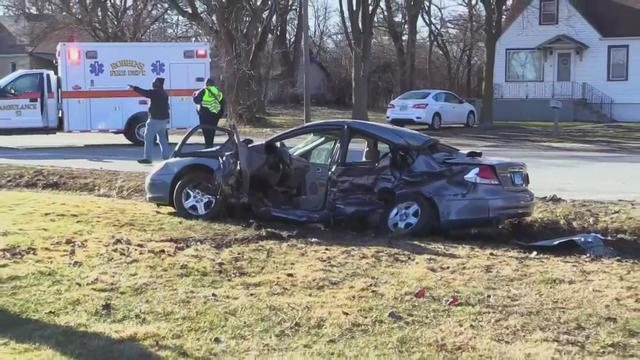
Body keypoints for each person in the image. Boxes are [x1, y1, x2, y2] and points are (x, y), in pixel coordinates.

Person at [130, 77, 171, 164]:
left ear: (157, 84)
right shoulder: (164, 93)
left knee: (148, 138)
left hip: (155, 120)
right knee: (162, 139)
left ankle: (147, 158)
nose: (152, 83)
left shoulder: (155, 93)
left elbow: (145, 93)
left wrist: (134, 88)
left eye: (154, 82)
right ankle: (167, 157)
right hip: (163, 119)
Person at [193, 78, 225, 148]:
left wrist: (194, 95)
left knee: (206, 131)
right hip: (215, 116)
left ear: (206, 84)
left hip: (205, 116)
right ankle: (210, 145)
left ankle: (207, 146)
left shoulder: (204, 90)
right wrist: (220, 114)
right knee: (212, 131)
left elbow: (196, 100)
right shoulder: (218, 91)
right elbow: (223, 103)